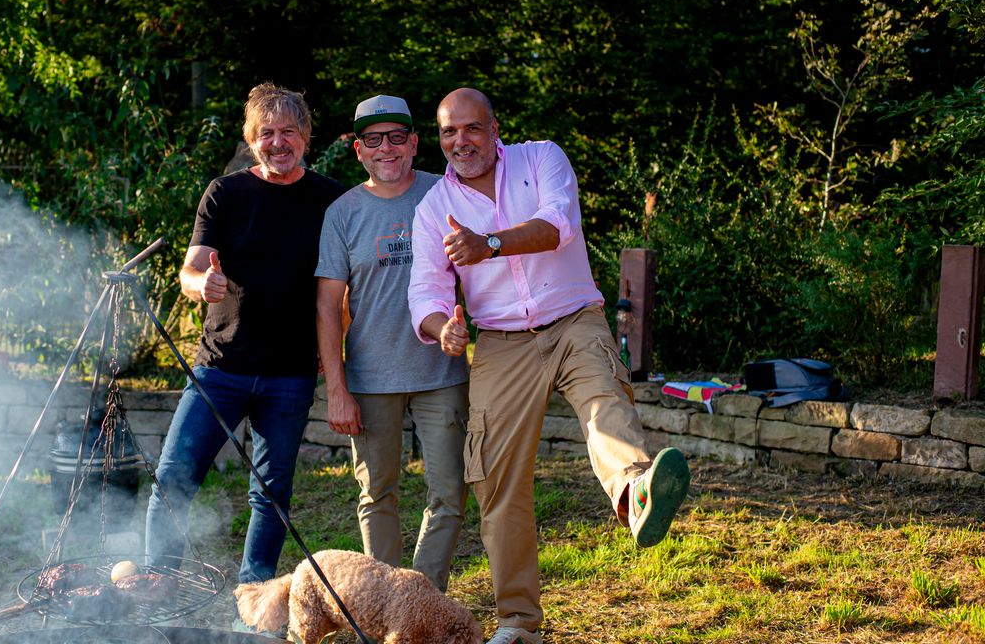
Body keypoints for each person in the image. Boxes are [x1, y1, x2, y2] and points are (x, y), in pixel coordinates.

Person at [407, 87, 690, 644]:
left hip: (574, 318)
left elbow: (557, 224)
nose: (461, 141)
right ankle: (519, 623)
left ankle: (636, 491)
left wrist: (489, 244)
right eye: (448, 132)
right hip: (500, 343)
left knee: (604, 400)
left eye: (472, 128)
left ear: (495, 129)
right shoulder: (433, 208)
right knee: (495, 480)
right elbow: (425, 290)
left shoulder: (541, 159)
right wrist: (444, 329)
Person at [145, 83, 344, 599]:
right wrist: (201, 284)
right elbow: (190, 270)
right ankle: (157, 589)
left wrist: (335, 349)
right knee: (173, 479)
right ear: (251, 139)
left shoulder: (331, 199)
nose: (278, 142)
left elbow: (344, 285)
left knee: (271, 494)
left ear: (305, 137)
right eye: (266, 133)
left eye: (288, 132)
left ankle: (252, 602)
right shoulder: (225, 193)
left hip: (291, 374)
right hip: (219, 368)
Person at [314, 95, 470, 592]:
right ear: (358, 149)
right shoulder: (342, 213)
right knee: (377, 494)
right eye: (374, 139)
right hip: (371, 377)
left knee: (450, 494)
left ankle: (421, 597)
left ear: (415, 142)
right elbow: (327, 306)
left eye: (397, 137)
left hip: (441, 372)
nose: (386, 148)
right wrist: (337, 389)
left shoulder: (445, 192)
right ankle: (385, 601)